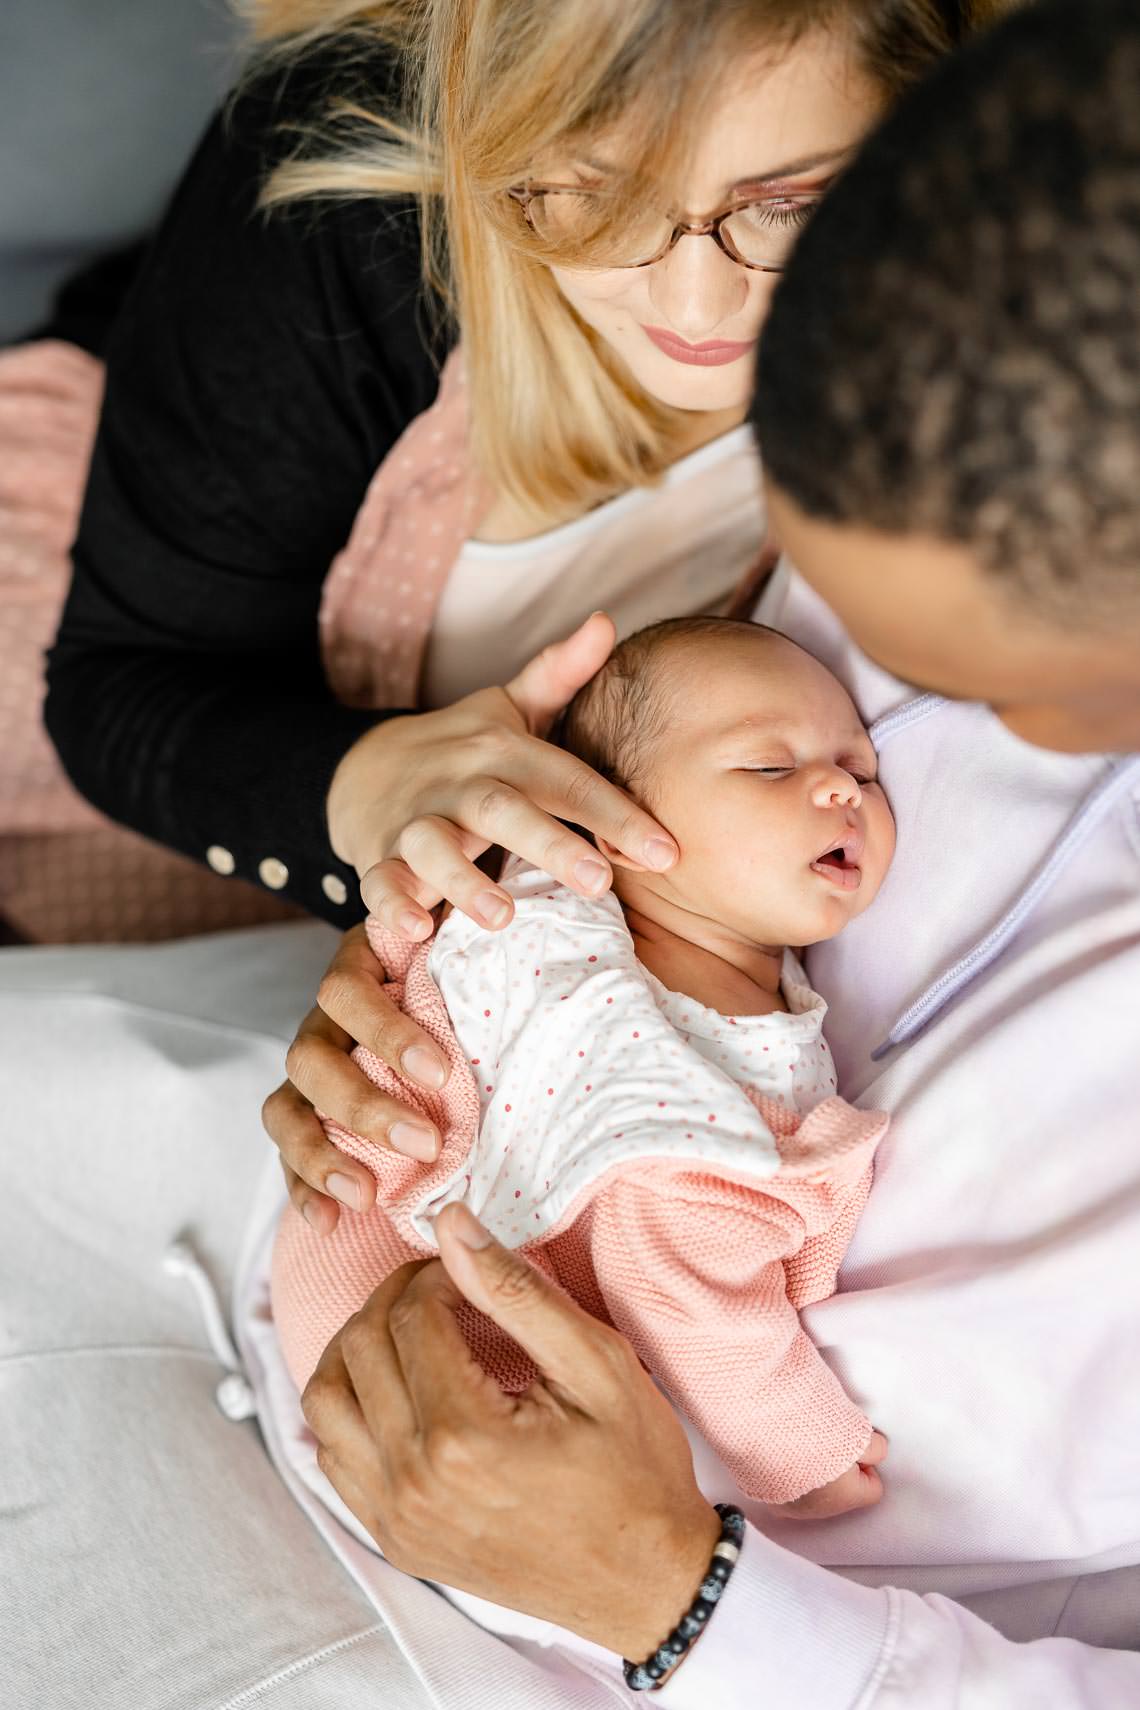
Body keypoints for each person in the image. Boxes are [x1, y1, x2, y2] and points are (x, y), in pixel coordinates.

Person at [292, 0, 1140, 1702]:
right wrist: (466, 968)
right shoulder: (994, 322)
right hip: (354, 1301)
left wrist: (689, 1603)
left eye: (1035, 699)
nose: (916, 759)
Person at [40, 0, 1007, 1206]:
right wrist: (368, 793)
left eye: (789, 204)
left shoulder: (1012, 265)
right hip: (145, 713)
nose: (698, 311)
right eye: (593, 194)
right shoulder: (342, 205)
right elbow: (112, 690)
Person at [271, 618, 895, 1522]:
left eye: (866, 772)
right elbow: (685, 1288)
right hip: (442, 1349)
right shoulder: (673, 1069)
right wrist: (801, 1451)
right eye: (770, 766)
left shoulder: (534, 911)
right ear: (603, 820)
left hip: (347, 1243)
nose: (842, 785)